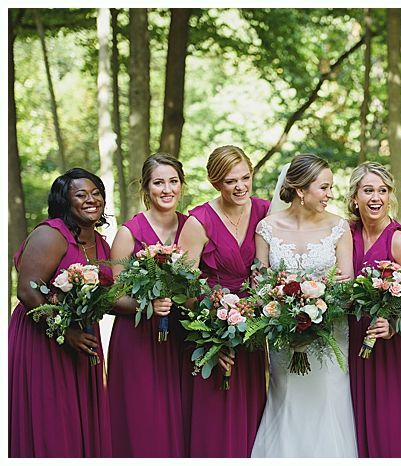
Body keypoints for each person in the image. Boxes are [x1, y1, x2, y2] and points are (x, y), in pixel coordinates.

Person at [249, 154, 358, 457]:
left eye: (330, 187)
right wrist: (283, 314)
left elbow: (346, 287)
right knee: (287, 401)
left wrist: (322, 308)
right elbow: (259, 285)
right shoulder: (266, 228)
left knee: (327, 401)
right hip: (284, 338)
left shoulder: (339, 228)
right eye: (323, 187)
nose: (330, 195)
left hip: (329, 336)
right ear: (300, 190)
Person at [8, 168, 113, 457]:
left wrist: (154, 301)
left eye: (96, 193)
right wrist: (66, 332)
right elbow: (28, 291)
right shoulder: (51, 235)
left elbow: (108, 296)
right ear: (65, 202)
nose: (91, 199)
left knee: (77, 422)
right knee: (52, 420)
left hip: (83, 338)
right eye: (81, 195)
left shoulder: (101, 243)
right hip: (44, 338)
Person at [177, 145, 270, 457]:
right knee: (216, 412)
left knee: (253, 407)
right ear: (216, 182)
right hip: (212, 331)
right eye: (231, 181)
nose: (241, 186)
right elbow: (184, 288)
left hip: (253, 329)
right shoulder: (198, 221)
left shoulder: (265, 211)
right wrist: (214, 334)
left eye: (246, 177)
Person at [106, 154, 190, 457]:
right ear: (146, 187)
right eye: (158, 182)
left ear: (181, 185)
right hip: (138, 340)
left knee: (183, 417)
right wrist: (148, 304)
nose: (167, 189)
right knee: (144, 420)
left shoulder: (192, 227)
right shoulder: (129, 233)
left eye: (173, 181)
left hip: (181, 337)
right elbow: (112, 297)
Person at [345, 162, 401, 457]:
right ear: (355, 197)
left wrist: (394, 325)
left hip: (392, 348)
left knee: (390, 430)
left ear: (390, 196)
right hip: (353, 341)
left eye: (382, 190)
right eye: (368, 190)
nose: (375, 197)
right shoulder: (346, 235)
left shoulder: (400, 239)